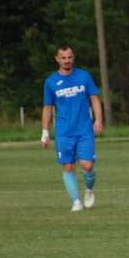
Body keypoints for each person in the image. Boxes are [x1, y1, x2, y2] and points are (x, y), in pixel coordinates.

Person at [41, 46, 104, 212]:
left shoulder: (84, 76)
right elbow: (47, 108)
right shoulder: (51, 82)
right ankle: (76, 201)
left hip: (84, 130)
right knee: (68, 167)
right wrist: (45, 132)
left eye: (69, 57)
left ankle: (89, 191)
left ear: (73, 58)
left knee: (88, 165)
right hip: (63, 132)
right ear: (57, 59)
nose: (67, 60)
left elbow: (95, 99)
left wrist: (98, 119)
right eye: (63, 58)